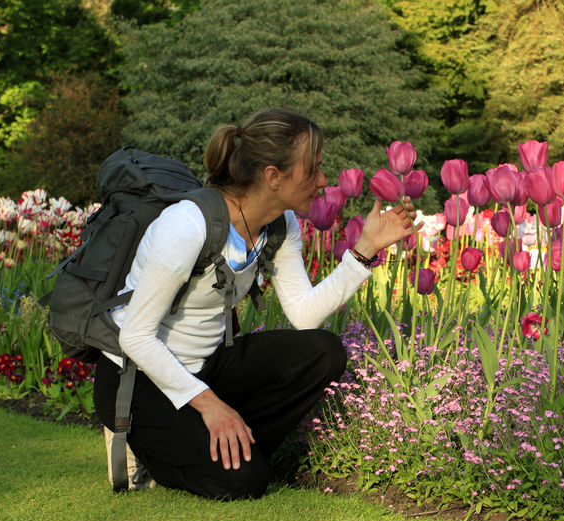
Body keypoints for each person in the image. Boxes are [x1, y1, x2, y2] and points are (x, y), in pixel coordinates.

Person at [94, 108, 418, 500]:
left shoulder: (280, 225)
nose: (322, 181)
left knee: (323, 352)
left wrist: (364, 249)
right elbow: (136, 336)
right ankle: (145, 445)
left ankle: (233, 445)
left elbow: (303, 314)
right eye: (312, 169)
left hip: (208, 365)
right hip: (141, 378)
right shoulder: (186, 226)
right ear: (273, 176)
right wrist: (211, 406)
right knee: (244, 482)